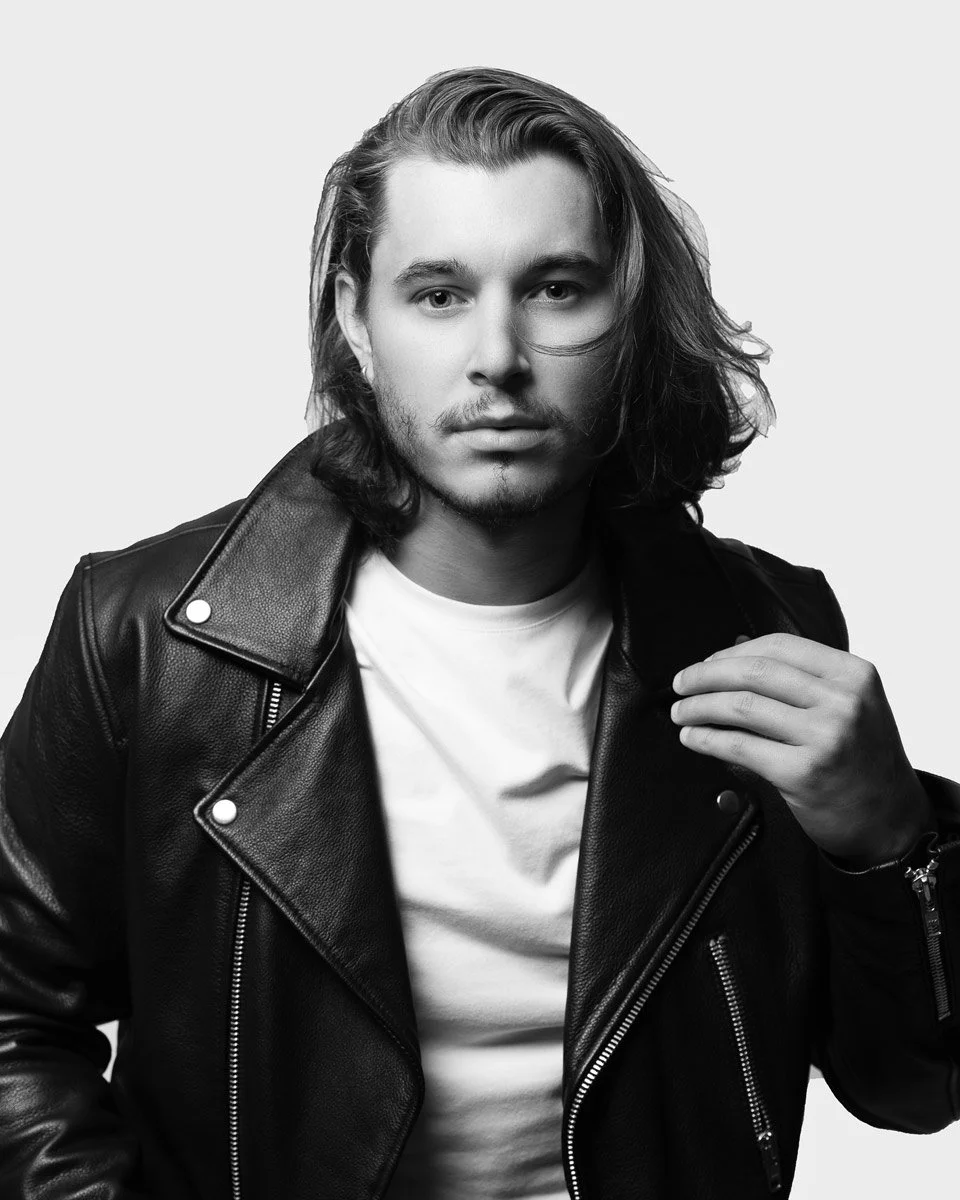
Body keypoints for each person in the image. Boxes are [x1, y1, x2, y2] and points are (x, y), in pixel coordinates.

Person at [0, 65, 957, 1200]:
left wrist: (889, 844)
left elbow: (911, 1092)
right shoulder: (151, 639)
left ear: (630, 317)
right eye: (439, 294)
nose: (497, 357)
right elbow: (15, 1016)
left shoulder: (766, 631)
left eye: (555, 288)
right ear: (356, 319)